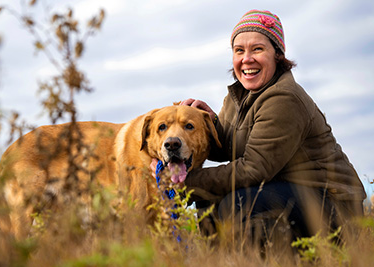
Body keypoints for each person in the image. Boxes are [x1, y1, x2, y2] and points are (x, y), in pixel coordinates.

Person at [153, 10, 366, 243]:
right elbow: (227, 146)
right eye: (239, 51)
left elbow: (254, 169)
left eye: (257, 49)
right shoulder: (240, 95)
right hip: (289, 190)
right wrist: (206, 124)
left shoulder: (284, 98)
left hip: (334, 206)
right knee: (208, 197)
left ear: (278, 54)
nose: (247, 59)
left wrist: (186, 182)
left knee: (237, 205)